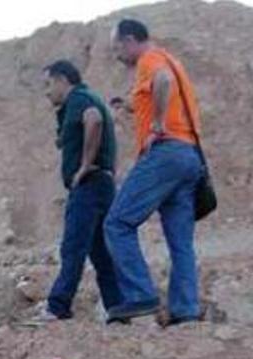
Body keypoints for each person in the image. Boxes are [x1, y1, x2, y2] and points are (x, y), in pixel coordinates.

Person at [105, 19, 205, 325]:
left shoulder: (151, 60)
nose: (118, 54)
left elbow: (162, 82)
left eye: (118, 47)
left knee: (117, 223)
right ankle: (185, 310)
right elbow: (163, 91)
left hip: (166, 152)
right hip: (189, 155)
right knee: (180, 242)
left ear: (131, 39)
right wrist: (132, 106)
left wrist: (158, 124)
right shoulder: (171, 60)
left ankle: (140, 295)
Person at [29, 61, 122, 323]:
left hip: (89, 185)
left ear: (62, 80)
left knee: (73, 247)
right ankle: (117, 309)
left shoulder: (79, 99)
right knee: (101, 253)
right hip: (102, 184)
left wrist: (83, 166)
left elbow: (94, 119)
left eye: (48, 84)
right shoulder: (85, 99)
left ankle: (58, 306)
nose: (46, 92)